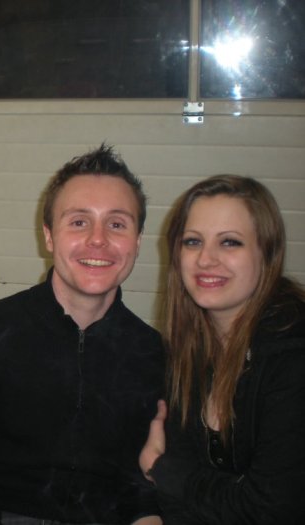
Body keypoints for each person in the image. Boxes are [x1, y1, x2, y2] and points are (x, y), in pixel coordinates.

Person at [0, 144, 165, 525]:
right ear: (49, 237)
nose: (98, 239)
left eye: (117, 224)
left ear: (137, 242)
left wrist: (147, 515)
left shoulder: (150, 351)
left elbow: (139, 480)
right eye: (79, 222)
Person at [139, 175, 305, 524]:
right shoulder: (189, 347)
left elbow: (271, 509)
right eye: (193, 241)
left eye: (230, 242)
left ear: (267, 253)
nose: (206, 259)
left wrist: (162, 469)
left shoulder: (292, 354)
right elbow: (180, 498)